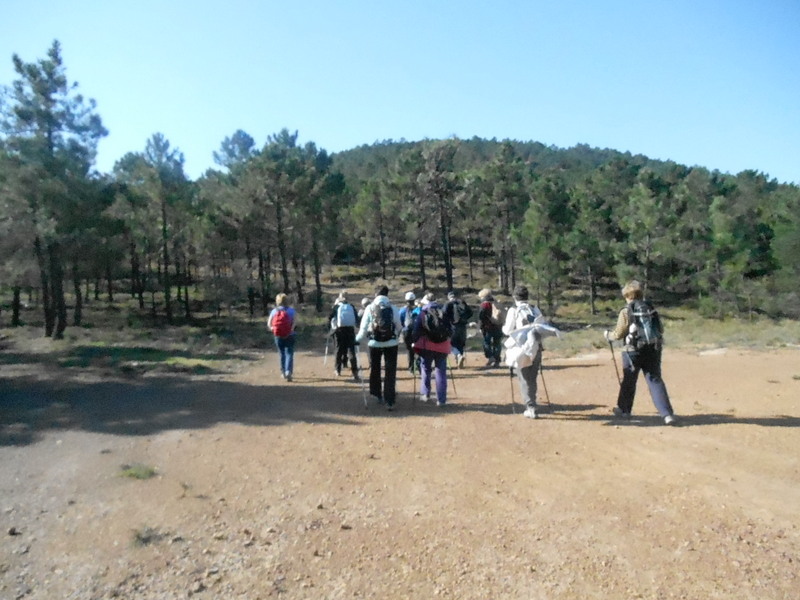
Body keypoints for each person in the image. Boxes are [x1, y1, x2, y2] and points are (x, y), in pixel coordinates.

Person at [604, 280, 677, 426]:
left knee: (629, 380)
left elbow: (618, 334)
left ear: (627, 296)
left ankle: (624, 410)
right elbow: (660, 329)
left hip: (633, 351)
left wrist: (607, 335)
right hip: (653, 348)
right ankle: (667, 414)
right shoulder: (650, 308)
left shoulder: (626, 311)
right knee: (655, 379)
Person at [356, 285, 402, 411]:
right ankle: (390, 400)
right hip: (391, 343)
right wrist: (397, 336)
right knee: (390, 371)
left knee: (375, 368)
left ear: (376, 294)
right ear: (387, 295)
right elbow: (399, 326)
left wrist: (356, 340)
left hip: (374, 343)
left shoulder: (370, 308)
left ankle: (377, 394)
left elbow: (363, 329)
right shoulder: (393, 308)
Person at [503, 285, 544, 419]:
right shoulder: (534, 308)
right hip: (536, 347)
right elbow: (542, 326)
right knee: (532, 377)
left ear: (514, 297)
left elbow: (508, 330)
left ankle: (530, 406)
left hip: (520, 349)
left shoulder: (513, 310)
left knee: (524, 377)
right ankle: (532, 402)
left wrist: (503, 329)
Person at [411, 292, 453, 406]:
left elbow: (416, 331)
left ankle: (425, 394)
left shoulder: (422, 313)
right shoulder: (443, 312)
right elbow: (450, 329)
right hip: (443, 346)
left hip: (427, 346)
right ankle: (441, 399)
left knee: (425, 369)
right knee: (441, 372)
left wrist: (414, 343)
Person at [329, 291, 359, 381]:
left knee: (338, 350)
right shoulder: (351, 306)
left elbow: (330, 317)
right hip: (350, 330)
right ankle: (355, 372)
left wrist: (331, 329)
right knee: (351, 351)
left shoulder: (337, 307)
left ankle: (337, 370)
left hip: (339, 330)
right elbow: (357, 319)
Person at [267, 292, 297, 382]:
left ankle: (283, 372)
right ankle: (288, 371)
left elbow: (269, 324)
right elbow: (294, 322)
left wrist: (273, 329)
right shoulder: (291, 311)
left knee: (281, 353)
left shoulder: (274, 311)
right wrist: (291, 329)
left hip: (278, 335)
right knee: (289, 353)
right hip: (290, 335)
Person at [444, 290, 473, 368]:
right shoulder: (462, 302)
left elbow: (443, 314)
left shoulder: (448, 304)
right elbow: (470, 313)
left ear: (449, 297)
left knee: (451, 343)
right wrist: (465, 319)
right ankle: (459, 359)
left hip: (452, 326)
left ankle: (458, 355)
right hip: (463, 326)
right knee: (460, 343)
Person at [478, 288, 503, 368]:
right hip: (498, 326)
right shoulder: (497, 303)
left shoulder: (484, 305)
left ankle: (490, 357)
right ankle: (497, 361)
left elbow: (481, 316)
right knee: (497, 343)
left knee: (486, 343)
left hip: (488, 327)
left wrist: (480, 327)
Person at [399, 291, 420, 373]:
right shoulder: (418, 309)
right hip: (417, 331)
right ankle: (419, 365)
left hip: (406, 332)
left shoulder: (402, 310)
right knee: (418, 348)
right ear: (414, 299)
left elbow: (400, 322)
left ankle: (411, 368)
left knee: (409, 350)